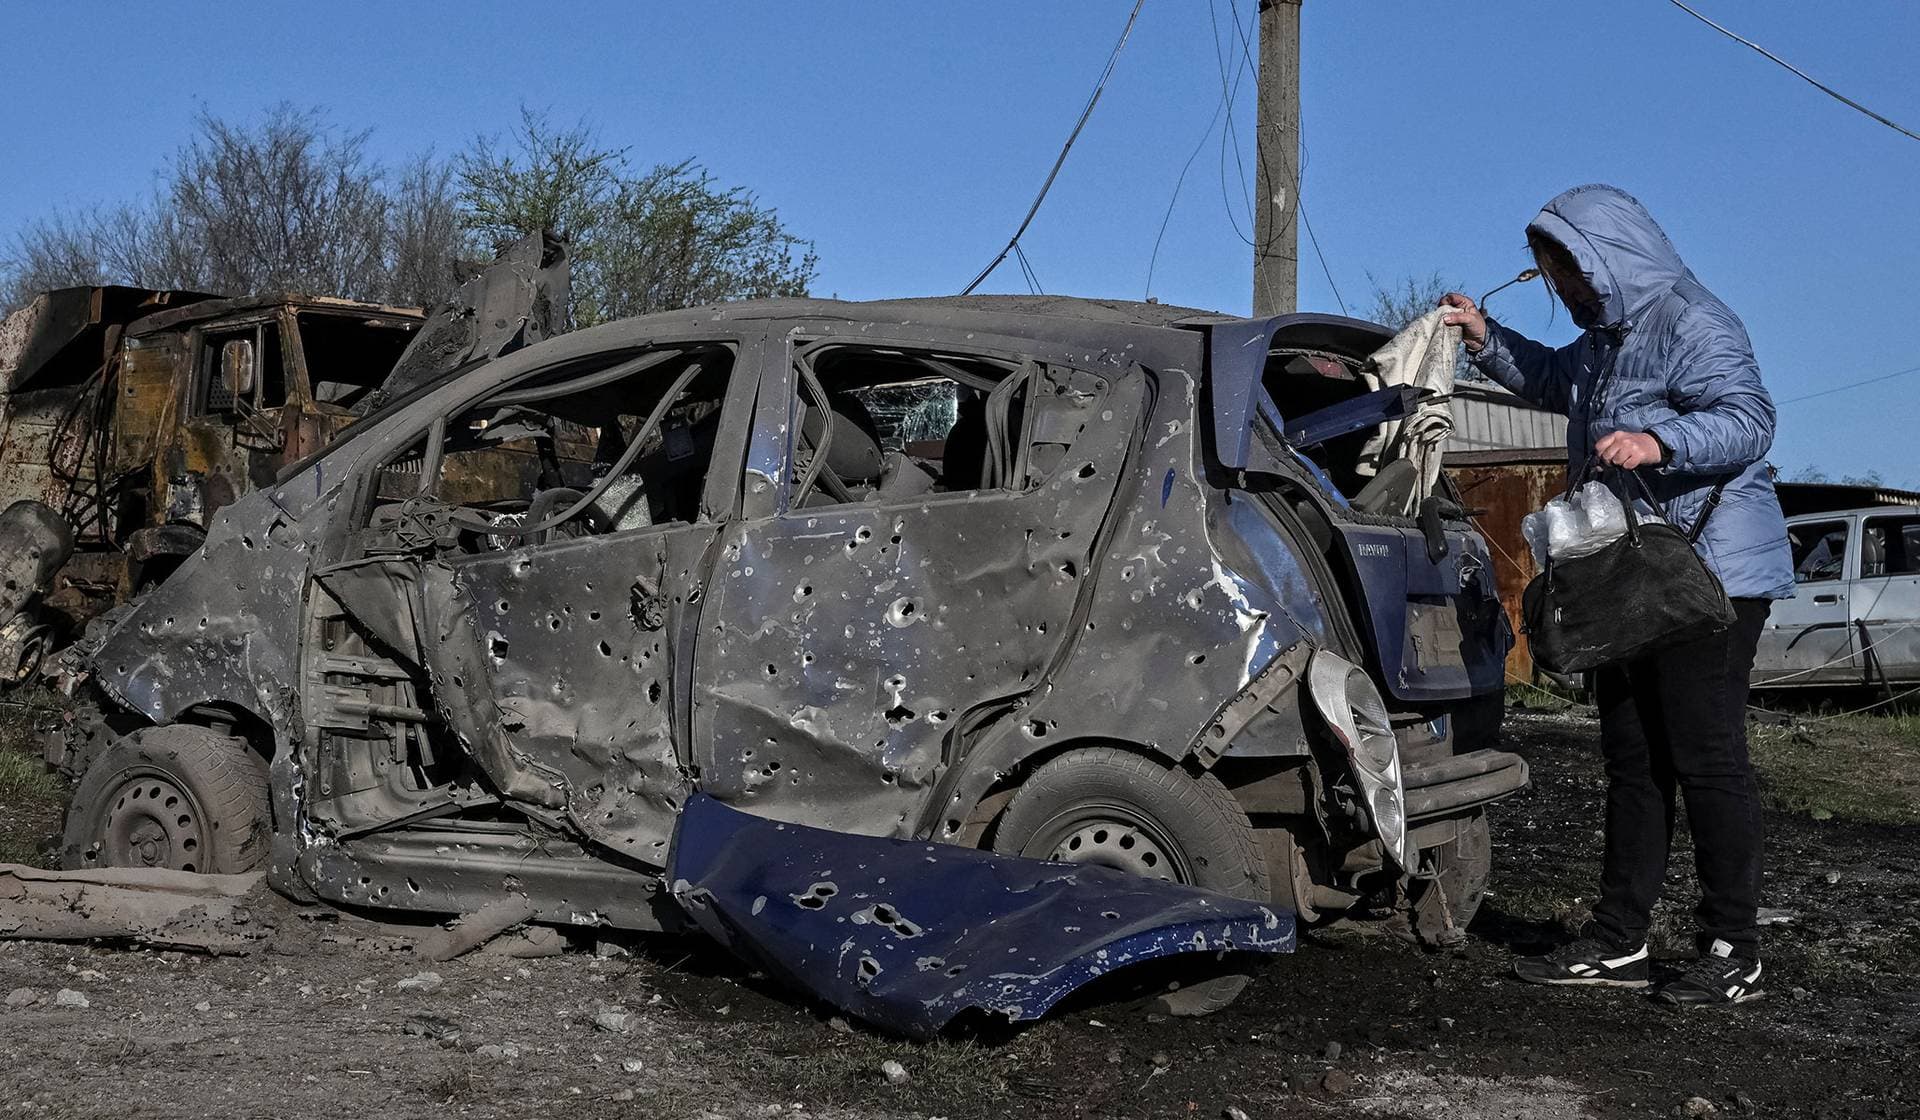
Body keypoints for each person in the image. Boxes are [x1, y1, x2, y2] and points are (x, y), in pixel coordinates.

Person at [1440, 184, 1793, 1006]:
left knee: (1705, 758)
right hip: (1632, 573)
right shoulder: (1604, 339)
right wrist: (1485, 339)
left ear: (1605, 259)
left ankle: (1732, 946)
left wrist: (1660, 439)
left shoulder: (1696, 320)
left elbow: (1750, 419)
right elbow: (1554, 380)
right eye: (1552, 276)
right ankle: (1617, 937)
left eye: (1567, 273)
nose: (1562, 289)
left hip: (1712, 575)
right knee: (1632, 759)